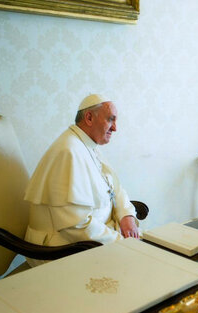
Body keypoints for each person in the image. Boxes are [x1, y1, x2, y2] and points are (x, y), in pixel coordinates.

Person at [24, 94, 139, 266]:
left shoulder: (87, 145)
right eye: (110, 120)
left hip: (97, 237)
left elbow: (114, 186)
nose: (115, 128)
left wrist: (126, 215)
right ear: (89, 118)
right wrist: (120, 243)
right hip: (63, 248)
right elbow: (76, 225)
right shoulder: (68, 151)